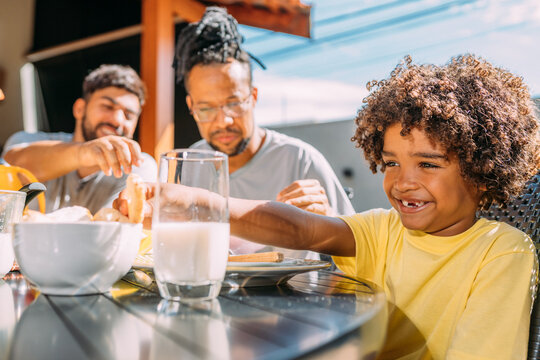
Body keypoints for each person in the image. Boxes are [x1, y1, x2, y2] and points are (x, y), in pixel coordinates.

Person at [116, 54, 539, 358]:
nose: (403, 181)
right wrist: (190, 200)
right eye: (390, 162)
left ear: (483, 171)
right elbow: (300, 229)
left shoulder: (504, 252)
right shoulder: (384, 229)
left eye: (428, 164)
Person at [174, 7, 354, 256]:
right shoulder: (190, 163)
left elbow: (358, 246)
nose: (223, 120)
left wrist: (329, 218)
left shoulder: (300, 160)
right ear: (191, 107)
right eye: (206, 109)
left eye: (234, 103)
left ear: (253, 97)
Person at [2, 64, 157, 214]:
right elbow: (12, 166)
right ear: (80, 109)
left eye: (128, 115)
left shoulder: (139, 167)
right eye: (107, 106)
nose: (117, 120)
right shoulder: (26, 140)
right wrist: (83, 152)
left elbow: (114, 229)